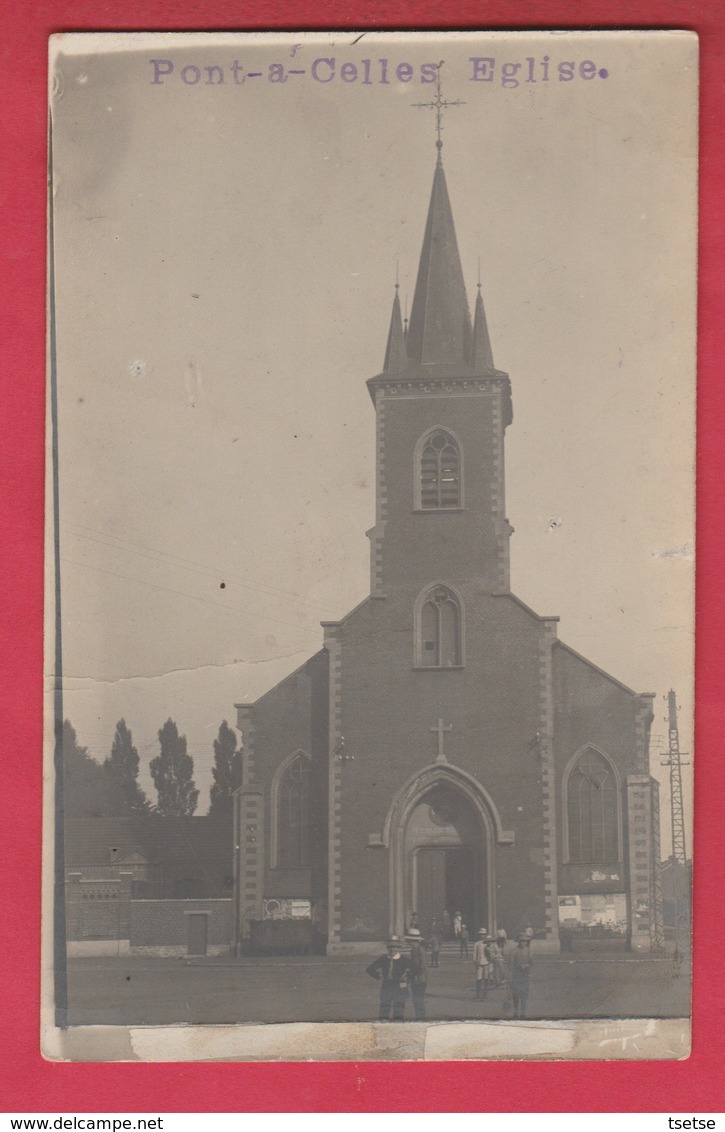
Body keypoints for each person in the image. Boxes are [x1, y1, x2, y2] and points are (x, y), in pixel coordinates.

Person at [366, 936, 411, 1021]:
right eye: (390, 947)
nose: (392, 949)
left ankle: (397, 1027)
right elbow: (369, 969)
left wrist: (407, 977)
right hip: (387, 985)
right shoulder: (384, 959)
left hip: (400, 986)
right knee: (384, 1008)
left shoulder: (404, 960)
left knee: (399, 1009)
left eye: (395, 947)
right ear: (387, 948)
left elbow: (416, 969)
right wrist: (379, 976)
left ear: (398, 948)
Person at [406, 928, 428, 1021]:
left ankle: (420, 1018)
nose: (408, 942)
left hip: (419, 979)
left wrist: (409, 974)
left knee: (418, 1000)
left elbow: (420, 966)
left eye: (409, 940)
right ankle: (419, 1017)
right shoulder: (416, 949)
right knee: (417, 1000)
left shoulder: (418, 950)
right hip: (419, 978)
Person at [510, 934, 532, 1019]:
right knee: (515, 995)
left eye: (525, 941)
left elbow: (532, 962)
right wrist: (511, 976)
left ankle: (523, 1014)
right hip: (516, 976)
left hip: (525, 976)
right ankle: (515, 1014)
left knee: (524, 995)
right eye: (522, 941)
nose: (524, 943)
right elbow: (511, 964)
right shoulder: (514, 951)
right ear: (519, 941)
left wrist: (527, 966)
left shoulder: (528, 950)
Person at [473, 928, 490, 1000]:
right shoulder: (477, 943)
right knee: (478, 978)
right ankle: (477, 995)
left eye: (483, 934)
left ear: (485, 935)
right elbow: (474, 954)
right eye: (481, 935)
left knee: (486, 978)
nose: (482, 936)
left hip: (486, 963)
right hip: (479, 963)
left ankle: (485, 995)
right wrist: (475, 962)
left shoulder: (488, 943)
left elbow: (490, 953)